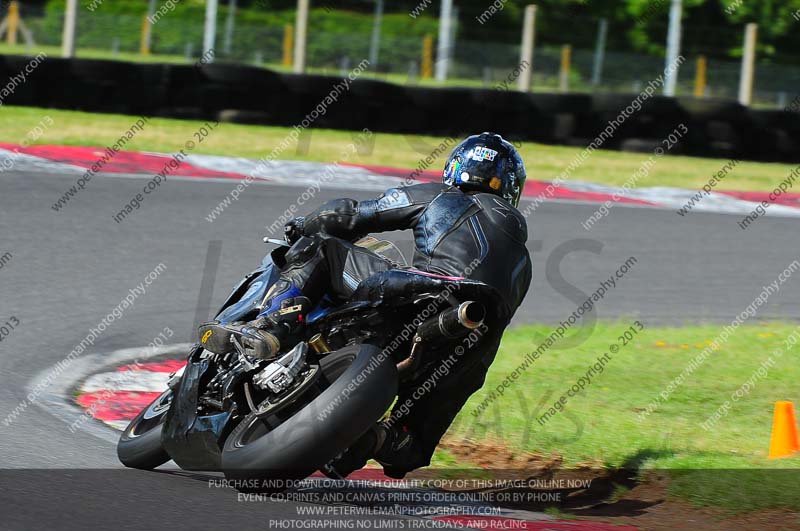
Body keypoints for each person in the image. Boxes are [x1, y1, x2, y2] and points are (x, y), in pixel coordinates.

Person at [199, 132, 532, 478]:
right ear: (511, 188)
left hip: (422, 291)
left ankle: (272, 326)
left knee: (324, 248)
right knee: (417, 436)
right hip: (472, 339)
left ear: (456, 168)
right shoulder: (524, 260)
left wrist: (305, 225)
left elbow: (353, 214)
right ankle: (381, 440)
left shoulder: (442, 196)